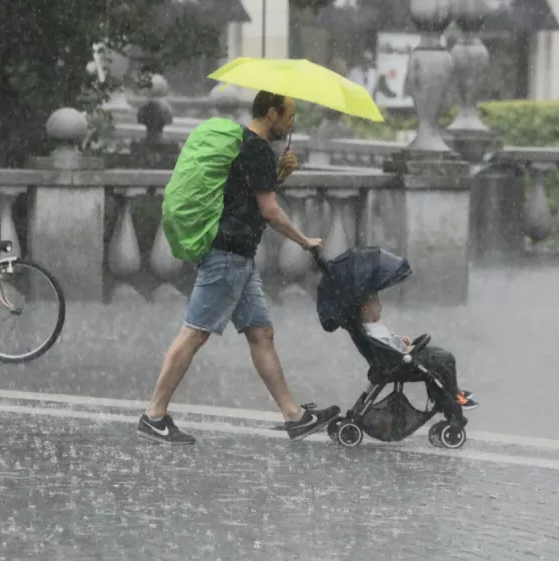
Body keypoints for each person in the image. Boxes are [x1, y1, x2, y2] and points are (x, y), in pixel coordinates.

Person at [137, 91, 341, 445]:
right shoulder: (258, 149)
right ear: (273, 113)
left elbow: (245, 196)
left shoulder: (245, 146)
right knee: (195, 332)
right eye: (289, 116)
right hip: (228, 256)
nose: (292, 124)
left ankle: (295, 417)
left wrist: (281, 174)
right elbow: (269, 211)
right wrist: (304, 240)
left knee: (261, 334)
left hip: (238, 257)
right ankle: (154, 415)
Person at [358, 292, 478, 412]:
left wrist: (399, 339)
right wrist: (404, 351)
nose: (381, 307)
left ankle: (451, 390)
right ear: (365, 309)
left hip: (399, 358)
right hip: (401, 362)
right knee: (446, 359)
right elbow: (386, 348)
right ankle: (453, 396)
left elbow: (388, 341)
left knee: (438, 353)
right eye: (377, 304)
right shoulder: (372, 332)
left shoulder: (373, 328)